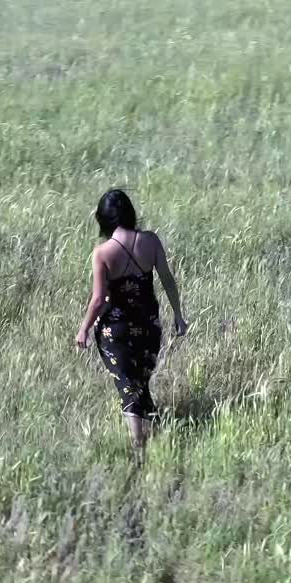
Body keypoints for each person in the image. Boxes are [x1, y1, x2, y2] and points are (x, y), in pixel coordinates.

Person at [75, 189, 187, 454]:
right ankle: (159, 438)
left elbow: (99, 299)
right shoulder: (150, 241)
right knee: (140, 384)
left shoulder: (102, 253)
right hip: (149, 327)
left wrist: (84, 329)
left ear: (102, 219)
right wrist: (178, 315)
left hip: (117, 332)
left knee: (128, 389)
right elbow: (168, 280)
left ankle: (139, 451)